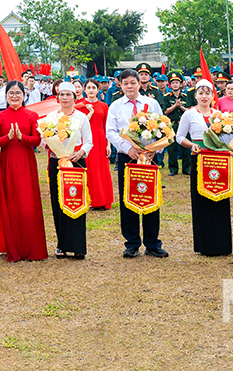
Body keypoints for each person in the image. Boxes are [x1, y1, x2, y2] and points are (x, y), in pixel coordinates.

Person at [106, 69, 169, 259]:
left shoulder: (152, 103)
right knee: (128, 200)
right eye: (125, 83)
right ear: (121, 85)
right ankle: (132, 243)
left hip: (149, 156)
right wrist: (128, 149)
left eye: (133, 82)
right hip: (128, 157)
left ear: (138, 83)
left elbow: (164, 127)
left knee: (150, 197)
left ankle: (152, 243)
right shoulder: (115, 106)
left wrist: (154, 150)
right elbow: (110, 132)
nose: (130, 86)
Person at [0, 80, 47, 261]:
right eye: (11, 93)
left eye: (18, 93)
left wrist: (23, 138)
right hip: (7, 163)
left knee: (27, 202)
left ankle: (30, 246)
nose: (14, 96)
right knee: (11, 203)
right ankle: (11, 245)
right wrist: (7, 138)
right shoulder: (0, 117)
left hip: (26, 163)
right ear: (6, 96)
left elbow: (37, 140)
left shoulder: (32, 115)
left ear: (24, 95)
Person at [175, 79, 233, 256]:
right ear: (195, 95)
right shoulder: (189, 114)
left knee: (220, 198)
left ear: (212, 95)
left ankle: (222, 244)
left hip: (218, 159)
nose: (204, 96)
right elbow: (179, 137)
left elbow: (226, 137)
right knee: (201, 200)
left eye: (208, 92)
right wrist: (191, 144)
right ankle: (205, 243)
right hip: (199, 158)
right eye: (201, 93)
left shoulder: (218, 114)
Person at [42, 82, 93, 259]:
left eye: (68, 95)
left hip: (76, 163)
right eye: (61, 95)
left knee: (76, 201)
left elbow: (89, 141)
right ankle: (61, 245)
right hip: (57, 163)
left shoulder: (81, 117)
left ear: (74, 97)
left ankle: (79, 246)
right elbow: (43, 141)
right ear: (57, 97)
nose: (65, 98)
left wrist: (80, 152)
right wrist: (49, 145)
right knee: (58, 203)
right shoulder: (50, 118)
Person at [76, 79, 113, 209]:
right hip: (85, 140)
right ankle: (91, 200)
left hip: (100, 139)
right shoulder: (79, 106)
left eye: (94, 88)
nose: (91, 90)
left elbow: (106, 127)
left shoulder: (104, 106)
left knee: (101, 170)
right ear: (84, 90)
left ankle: (104, 200)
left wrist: (108, 144)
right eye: (89, 87)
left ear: (98, 90)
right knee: (89, 169)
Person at [162, 73, 189, 176]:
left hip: (184, 124)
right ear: (170, 85)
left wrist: (181, 107)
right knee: (172, 148)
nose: (175, 85)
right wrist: (175, 105)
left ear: (180, 84)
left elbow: (189, 110)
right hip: (172, 124)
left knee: (186, 147)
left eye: (177, 82)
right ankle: (173, 169)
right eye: (173, 83)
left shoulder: (185, 96)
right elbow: (166, 111)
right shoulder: (167, 97)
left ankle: (186, 168)